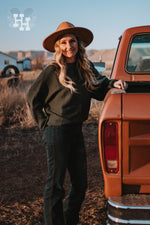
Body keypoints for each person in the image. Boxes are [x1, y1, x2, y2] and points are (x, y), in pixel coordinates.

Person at [27, 21, 127, 225]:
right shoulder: (52, 71)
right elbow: (32, 98)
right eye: (63, 42)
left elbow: (98, 88)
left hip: (76, 130)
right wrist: (44, 124)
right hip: (57, 131)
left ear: (78, 44)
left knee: (80, 185)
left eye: (72, 41)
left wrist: (112, 84)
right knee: (55, 186)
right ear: (58, 47)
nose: (68, 46)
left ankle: (68, 219)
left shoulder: (85, 67)